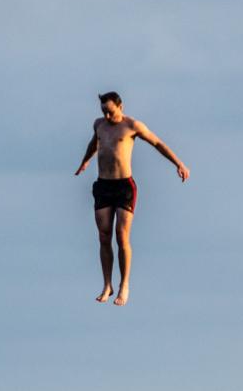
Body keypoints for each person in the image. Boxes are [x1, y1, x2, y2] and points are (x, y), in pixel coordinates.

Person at [75, 91, 190, 306]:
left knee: (121, 236)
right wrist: (85, 162)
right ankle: (107, 284)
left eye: (110, 112)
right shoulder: (98, 124)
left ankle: (123, 285)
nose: (107, 117)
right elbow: (94, 143)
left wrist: (179, 164)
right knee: (103, 235)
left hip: (124, 186)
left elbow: (157, 143)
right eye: (103, 112)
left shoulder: (132, 126)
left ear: (120, 106)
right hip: (103, 185)